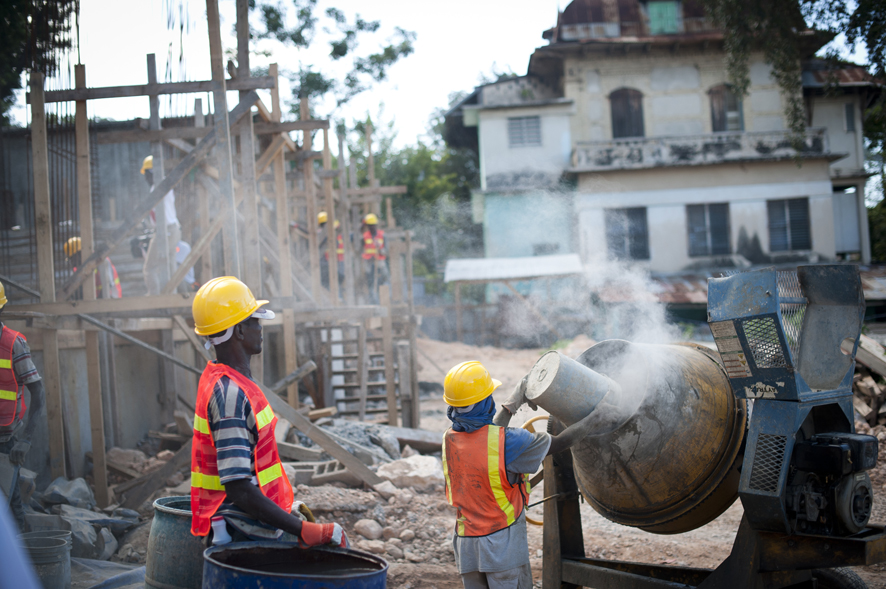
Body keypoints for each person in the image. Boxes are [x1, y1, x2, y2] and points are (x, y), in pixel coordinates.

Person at [189, 276, 346, 548]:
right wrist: (302, 529)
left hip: (248, 521)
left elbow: (249, 473)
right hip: (238, 531)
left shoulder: (233, 383)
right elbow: (238, 488)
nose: (260, 328)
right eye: (255, 321)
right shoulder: (230, 396)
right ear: (238, 331)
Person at [441, 361, 606, 589]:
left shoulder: (449, 439)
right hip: (500, 547)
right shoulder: (512, 441)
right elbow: (560, 443)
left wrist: (512, 405)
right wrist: (597, 417)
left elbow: (486, 439)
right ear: (484, 402)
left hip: (467, 547)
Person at [0, 282, 45, 532]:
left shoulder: (13, 344)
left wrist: (25, 440)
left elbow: (37, 392)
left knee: (11, 512)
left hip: (5, 444)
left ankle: (17, 568)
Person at [141, 155, 182, 295]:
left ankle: (155, 299)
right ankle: (171, 295)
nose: (145, 178)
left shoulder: (156, 187)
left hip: (165, 230)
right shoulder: (165, 185)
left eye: (146, 173)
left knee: (150, 268)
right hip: (174, 229)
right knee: (169, 266)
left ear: (152, 172)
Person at [360, 213, 388, 302]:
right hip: (368, 261)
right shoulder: (364, 236)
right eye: (369, 225)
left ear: (376, 225)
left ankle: (380, 286)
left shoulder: (382, 235)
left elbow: (385, 251)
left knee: (385, 274)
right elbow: (361, 249)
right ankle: (372, 297)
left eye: (373, 225)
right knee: (369, 279)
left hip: (379, 260)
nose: (371, 227)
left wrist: (380, 247)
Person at [317, 211, 345, 292]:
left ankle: (336, 296)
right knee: (331, 282)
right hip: (327, 261)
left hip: (332, 260)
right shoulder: (323, 233)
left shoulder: (329, 232)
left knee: (336, 280)